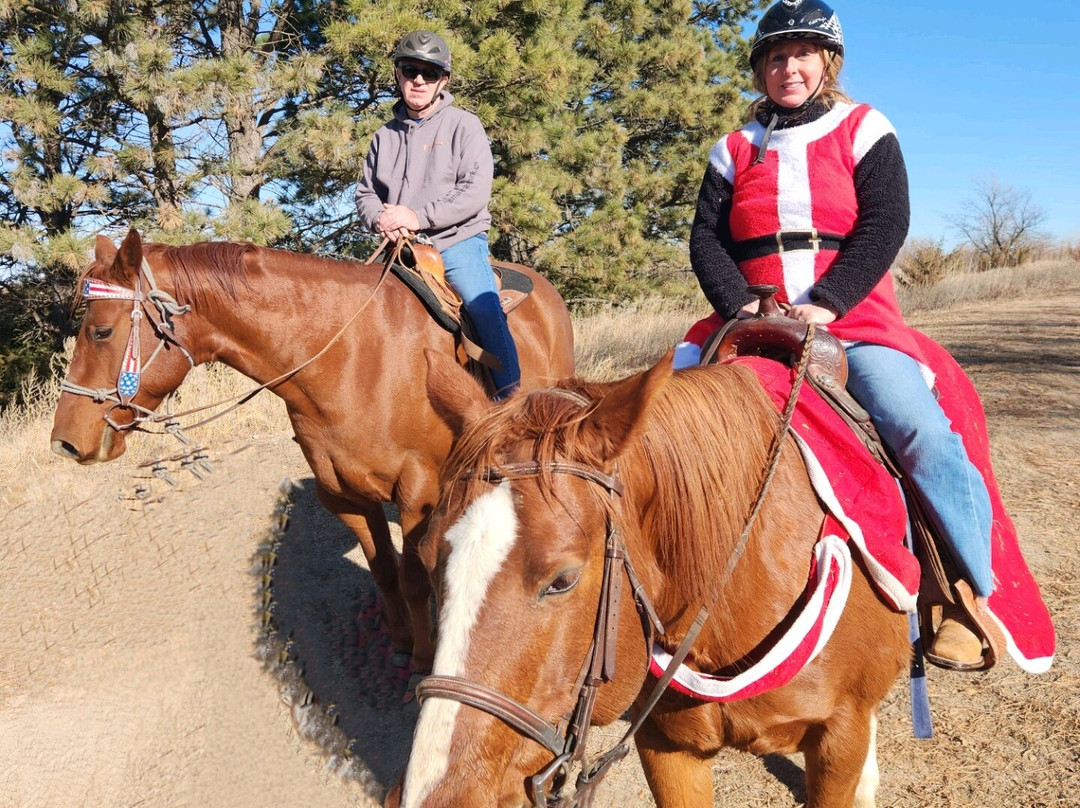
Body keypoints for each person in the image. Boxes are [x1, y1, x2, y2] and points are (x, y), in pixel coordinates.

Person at [676, 0, 993, 666]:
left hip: (852, 315)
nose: (789, 67)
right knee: (667, 411)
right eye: (776, 56)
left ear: (827, 63)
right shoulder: (732, 148)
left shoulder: (864, 127)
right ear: (761, 67)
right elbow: (706, 238)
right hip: (750, 316)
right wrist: (742, 305)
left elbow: (886, 222)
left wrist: (827, 300)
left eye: (802, 54)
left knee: (918, 427)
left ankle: (965, 592)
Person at [355, 30, 520, 399]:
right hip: (398, 248)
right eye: (410, 70)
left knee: (484, 311)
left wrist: (418, 216)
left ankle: (510, 402)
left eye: (428, 73)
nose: (418, 80)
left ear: (442, 80)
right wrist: (379, 218)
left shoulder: (464, 125)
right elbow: (366, 193)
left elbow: (475, 191)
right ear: (398, 74)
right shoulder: (384, 136)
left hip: (455, 242)